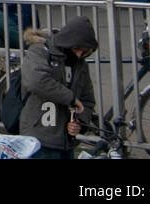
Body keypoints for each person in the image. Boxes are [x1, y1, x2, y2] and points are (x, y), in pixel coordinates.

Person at [18, 17, 98, 159]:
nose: (79, 54)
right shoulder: (40, 50)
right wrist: (70, 98)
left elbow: (87, 100)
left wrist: (79, 122)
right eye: (77, 49)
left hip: (65, 141)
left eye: (84, 51)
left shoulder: (80, 64)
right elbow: (36, 81)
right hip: (39, 137)